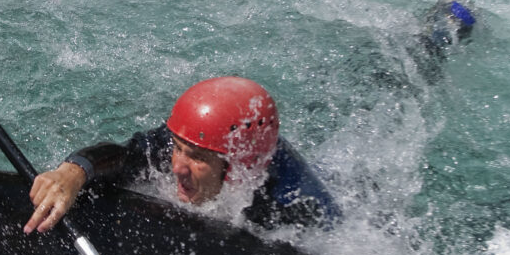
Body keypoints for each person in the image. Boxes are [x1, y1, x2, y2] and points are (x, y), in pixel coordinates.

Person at [24, 76, 341, 235]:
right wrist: (71, 173)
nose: (176, 167)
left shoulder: (294, 211)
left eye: (198, 159)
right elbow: (122, 156)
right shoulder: (194, 137)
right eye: (177, 148)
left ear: (237, 168)